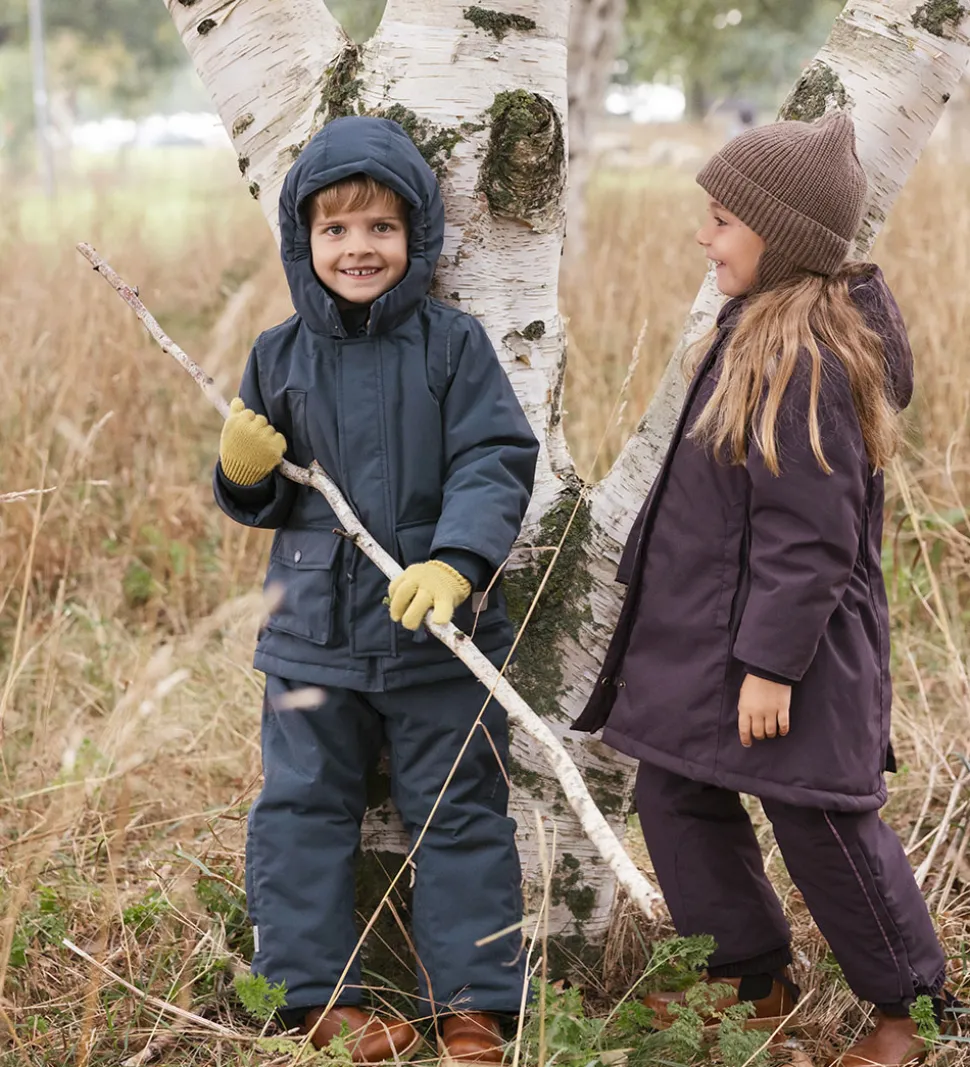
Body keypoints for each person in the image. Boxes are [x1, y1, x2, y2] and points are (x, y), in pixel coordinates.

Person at [573, 114, 951, 1067]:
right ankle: (749, 980)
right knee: (675, 794)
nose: (705, 237)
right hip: (708, 648)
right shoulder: (750, 330)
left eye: (723, 220)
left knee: (821, 820)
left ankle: (913, 1010)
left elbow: (811, 537)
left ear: (778, 238)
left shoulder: (805, 357)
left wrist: (771, 668)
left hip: (792, 658)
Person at [214, 116, 539, 1064]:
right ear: (302, 241)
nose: (359, 248)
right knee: (303, 806)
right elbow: (266, 498)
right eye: (336, 230)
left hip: (441, 632)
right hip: (311, 632)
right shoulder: (278, 356)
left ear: (418, 238)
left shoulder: (453, 345)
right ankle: (315, 996)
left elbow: (495, 457)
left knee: (458, 808)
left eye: (382, 229)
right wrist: (243, 471)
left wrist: (459, 561)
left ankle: (474, 1004)